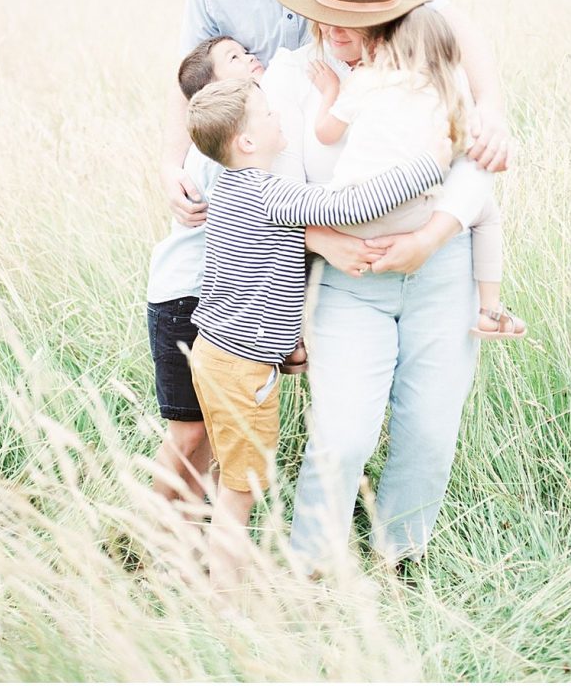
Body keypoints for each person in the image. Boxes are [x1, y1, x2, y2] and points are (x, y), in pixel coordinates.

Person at [261, 0, 504, 571]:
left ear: (391, 17)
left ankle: (401, 559)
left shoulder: (429, 71)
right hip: (349, 281)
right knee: (344, 435)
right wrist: (321, 238)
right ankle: (311, 566)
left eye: (360, 20)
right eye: (330, 14)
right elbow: (266, 189)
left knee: (428, 431)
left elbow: (477, 172)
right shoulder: (290, 79)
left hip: (439, 270)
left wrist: (431, 237)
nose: (339, 30)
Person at [160, 0, 513, 254]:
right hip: (259, 179)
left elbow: (447, 22)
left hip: (350, 173)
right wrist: (172, 164)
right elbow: (187, 75)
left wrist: (490, 108)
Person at [184, 77, 454, 594]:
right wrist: (429, 165)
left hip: (218, 355)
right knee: (239, 495)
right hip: (241, 370)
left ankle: (223, 586)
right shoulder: (268, 193)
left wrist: (282, 345)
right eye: (266, 114)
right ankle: (225, 610)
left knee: (230, 478)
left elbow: (247, 281)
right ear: (245, 142)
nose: (277, 117)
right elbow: (350, 206)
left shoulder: (228, 192)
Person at [308, 2, 526, 340]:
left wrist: (330, 92)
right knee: (486, 214)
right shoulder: (447, 92)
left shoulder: (365, 79)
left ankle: (292, 334)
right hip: (411, 218)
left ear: (382, 43)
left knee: (285, 215)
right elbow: (469, 152)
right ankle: (490, 309)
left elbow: (325, 134)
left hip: (345, 216)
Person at [146, 35, 267, 504]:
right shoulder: (221, 150)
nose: (250, 58)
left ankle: (192, 543)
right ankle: (159, 540)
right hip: (183, 298)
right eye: (234, 58)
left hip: (218, 299)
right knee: (189, 432)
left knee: (214, 433)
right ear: (210, 93)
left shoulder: (247, 138)